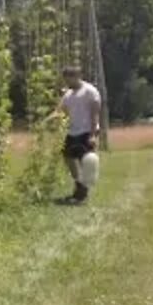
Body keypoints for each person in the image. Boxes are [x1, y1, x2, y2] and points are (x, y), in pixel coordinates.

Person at [54, 66, 102, 203]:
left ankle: (82, 192)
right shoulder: (68, 94)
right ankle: (79, 183)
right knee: (68, 157)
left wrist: (93, 135)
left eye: (69, 79)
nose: (67, 83)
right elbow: (61, 111)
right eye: (65, 79)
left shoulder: (90, 91)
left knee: (86, 161)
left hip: (86, 130)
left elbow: (95, 114)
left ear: (77, 76)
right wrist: (50, 118)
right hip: (72, 131)